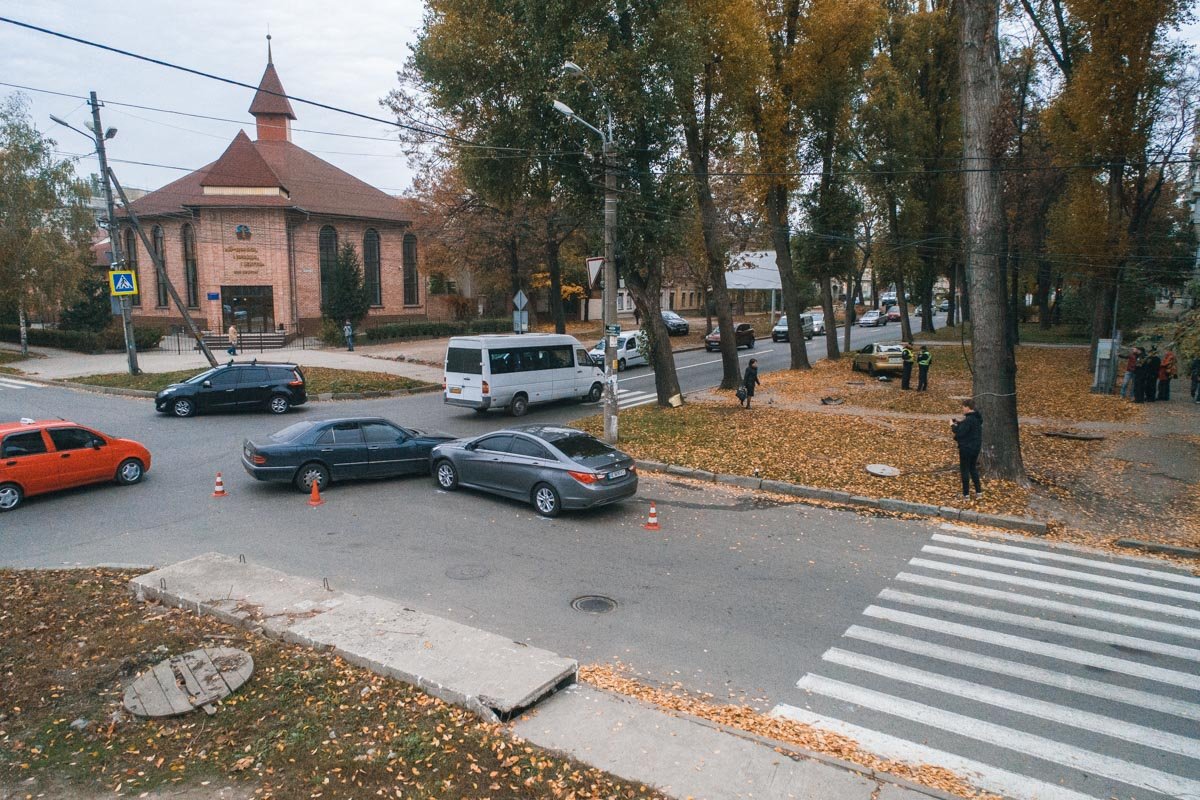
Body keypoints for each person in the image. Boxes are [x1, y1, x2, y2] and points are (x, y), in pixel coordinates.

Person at [951, 399, 983, 500]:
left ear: (968, 408)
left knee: (965, 470)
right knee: (973, 468)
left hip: (966, 448)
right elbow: (968, 428)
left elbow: (960, 433)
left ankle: (966, 495)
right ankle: (978, 492)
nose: (962, 409)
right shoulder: (977, 418)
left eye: (963, 407)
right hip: (976, 448)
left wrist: (952, 425)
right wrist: (960, 422)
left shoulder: (968, 420)